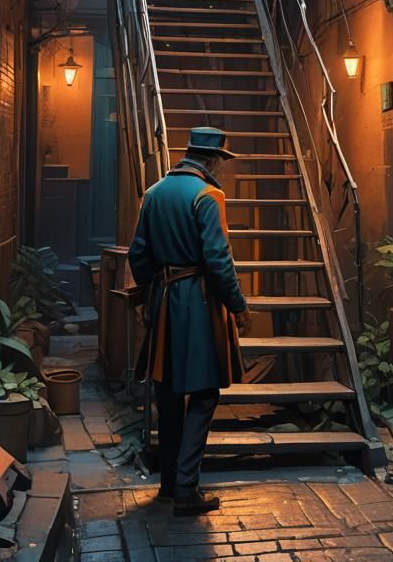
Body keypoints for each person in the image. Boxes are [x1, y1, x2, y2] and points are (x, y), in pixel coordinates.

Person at [128, 126, 252, 517]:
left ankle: (168, 483)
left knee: (167, 391)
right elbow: (218, 260)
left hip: (164, 300)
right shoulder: (208, 195)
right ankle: (186, 488)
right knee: (204, 393)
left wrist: (151, 289)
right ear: (213, 160)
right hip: (198, 302)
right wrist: (238, 305)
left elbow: (139, 253)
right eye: (222, 162)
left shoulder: (153, 193)